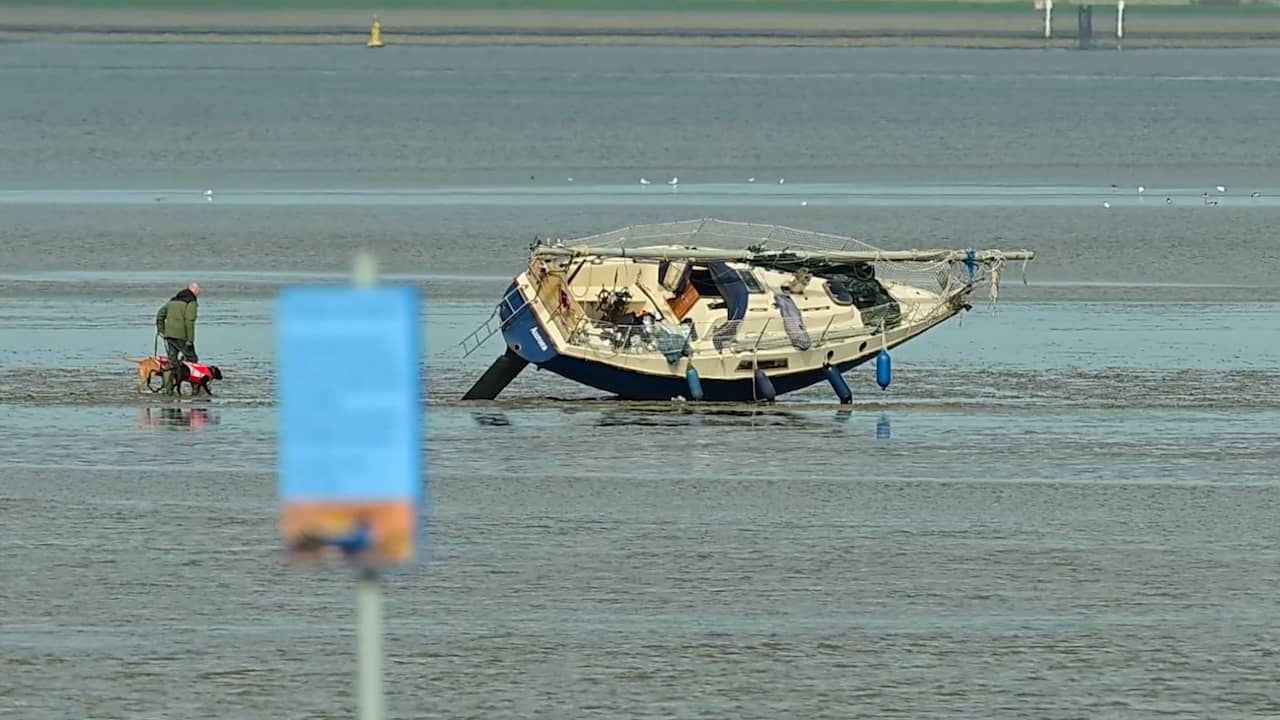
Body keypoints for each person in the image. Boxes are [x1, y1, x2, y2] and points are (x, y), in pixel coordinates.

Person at [155, 282, 200, 395]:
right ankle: (195, 388)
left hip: (169, 336)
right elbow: (189, 322)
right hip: (183, 337)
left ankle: (168, 389)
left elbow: (160, 314)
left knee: (172, 361)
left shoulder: (173, 301)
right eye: (198, 290)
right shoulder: (191, 302)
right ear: (193, 290)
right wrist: (190, 340)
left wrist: (161, 330)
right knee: (192, 360)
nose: (199, 292)